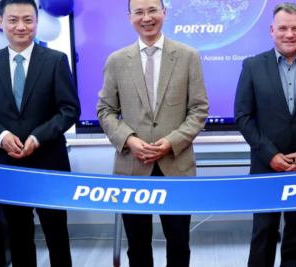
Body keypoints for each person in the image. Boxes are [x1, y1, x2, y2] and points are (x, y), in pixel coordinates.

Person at [96, 0, 209, 265]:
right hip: (132, 168)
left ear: (164, 13)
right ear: (129, 17)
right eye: (139, 12)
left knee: (179, 244)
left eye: (152, 10)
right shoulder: (116, 61)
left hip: (176, 166)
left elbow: (199, 109)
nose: (146, 17)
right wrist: (129, 140)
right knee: (137, 246)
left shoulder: (187, 55)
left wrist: (171, 142)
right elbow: (105, 110)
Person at [0, 0, 80, 266]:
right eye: (13, 20)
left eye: (28, 19)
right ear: (1, 22)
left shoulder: (55, 60)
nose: (21, 26)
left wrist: (37, 137)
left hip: (49, 163)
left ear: (37, 21)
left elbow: (69, 109)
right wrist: (1, 136)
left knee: (56, 234)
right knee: (18, 235)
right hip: (8, 165)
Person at [234, 3, 296, 267]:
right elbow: (243, 118)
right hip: (266, 166)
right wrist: (270, 156)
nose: (288, 34)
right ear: (272, 30)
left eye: (295, 28)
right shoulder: (253, 66)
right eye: (282, 28)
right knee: (264, 233)